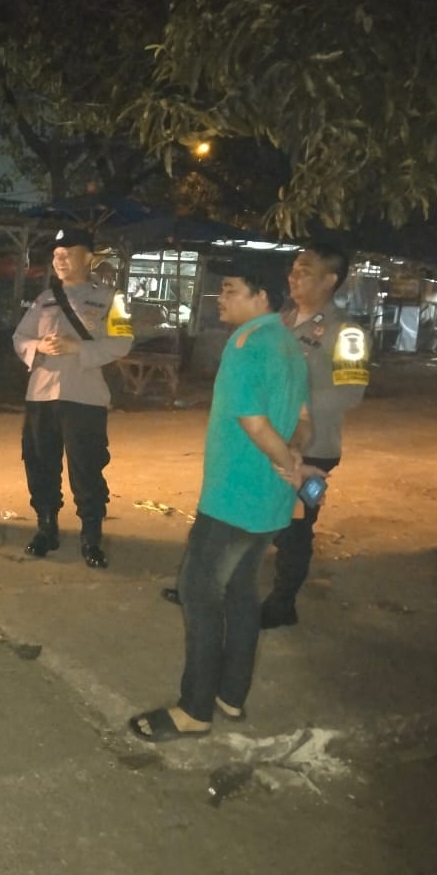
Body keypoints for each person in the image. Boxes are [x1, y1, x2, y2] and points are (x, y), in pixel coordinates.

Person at [129, 262, 317, 742]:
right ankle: (231, 695)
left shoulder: (246, 344)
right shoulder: (290, 344)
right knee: (240, 592)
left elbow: (253, 422)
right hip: (270, 502)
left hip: (234, 496)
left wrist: (288, 461)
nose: (220, 299)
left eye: (230, 290)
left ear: (261, 296)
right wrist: (294, 456)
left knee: (199, 591)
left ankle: (195, 710)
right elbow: (304, 418)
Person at [259, 242, 368, 628]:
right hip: (268, 439)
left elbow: (350, 393)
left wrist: (291, 405)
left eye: (304, 270)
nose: (293, 277)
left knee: (296, 526)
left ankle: (282, 604)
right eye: (293, 269)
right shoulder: (281, 321)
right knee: (253, 513)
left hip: (314, 450)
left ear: (329, 279)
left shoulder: (346, 332)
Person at [12, 227, 134, 567]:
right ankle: (46, 527)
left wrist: (77, 348)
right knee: (40, 464)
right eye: (56, 255)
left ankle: (91, 537)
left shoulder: (113, 299)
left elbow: (123, 342)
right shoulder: (43, 299)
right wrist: (38, 345)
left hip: (86, 397)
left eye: (67, 254)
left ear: (89, 257)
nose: (60, 260)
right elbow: (19, 337)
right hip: (41, 395)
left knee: (87, 467)